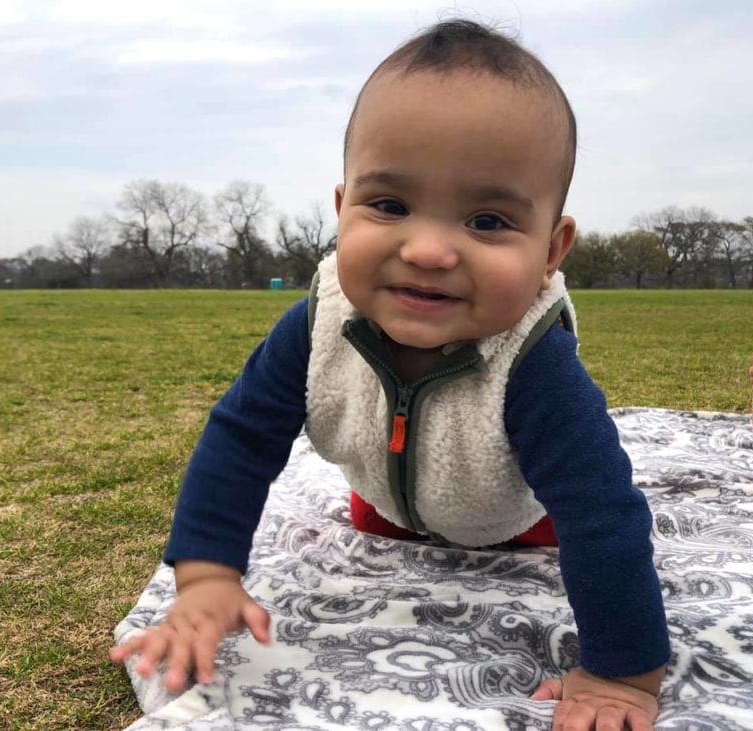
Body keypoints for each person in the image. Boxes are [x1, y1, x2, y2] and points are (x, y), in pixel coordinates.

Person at [111, 19, 671, 730]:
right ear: (343, 209)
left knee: (573, 525)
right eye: (390, 205)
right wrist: (207, 574)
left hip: (517, 521)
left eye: (489, 220)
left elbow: (602, 511)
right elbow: (241, 437)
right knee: (375, 521)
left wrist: (625, 674)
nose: (430, 249)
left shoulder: (533, 361)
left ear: (552, 249)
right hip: (386, 508)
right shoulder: (317, 325)